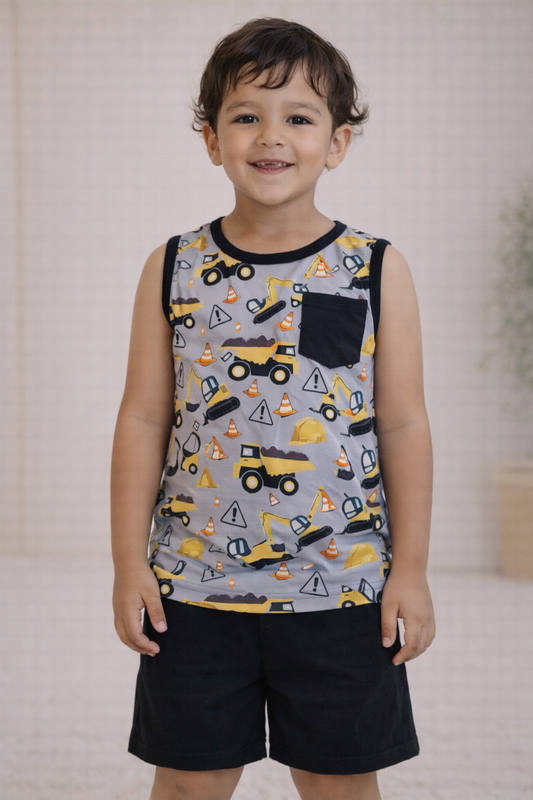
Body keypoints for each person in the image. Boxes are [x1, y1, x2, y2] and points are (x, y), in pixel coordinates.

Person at [111, 16, 436, 800]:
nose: (271, 136)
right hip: (194, 586)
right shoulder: (173, 266)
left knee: (336, 783)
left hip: (342, 585)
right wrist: (127, 564)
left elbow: (402, 423)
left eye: (298, 117)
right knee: (188, 782)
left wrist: (411, 571)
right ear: (210, 139)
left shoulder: (374, 268)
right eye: (245, 115)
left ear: (337, 142)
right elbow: (143, 419)